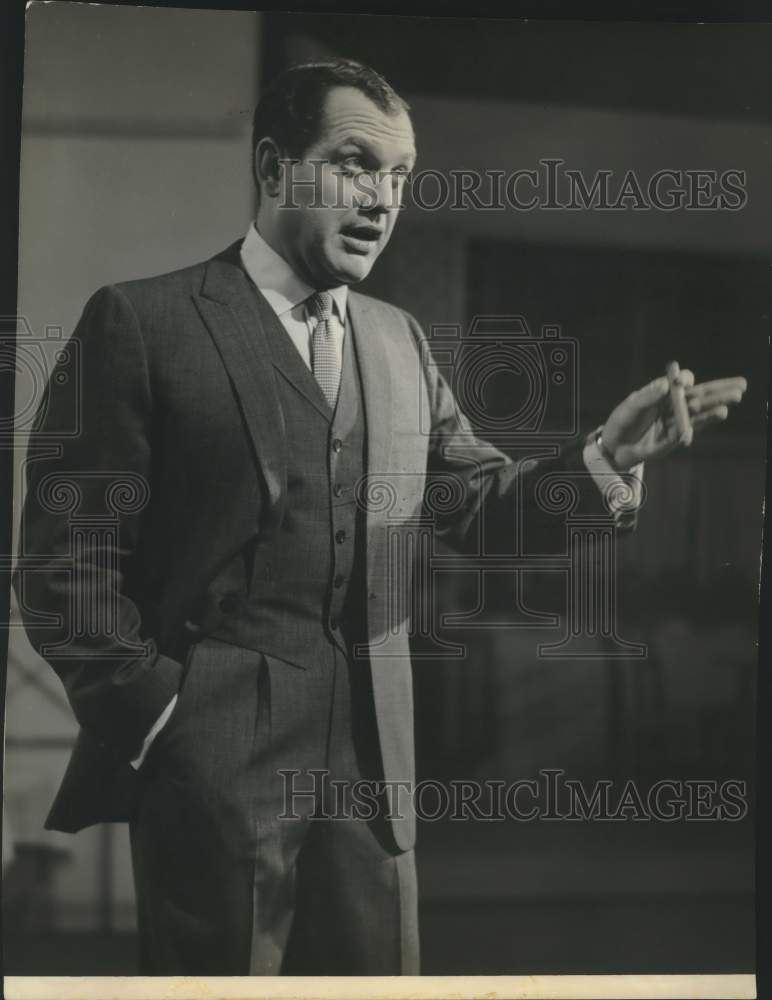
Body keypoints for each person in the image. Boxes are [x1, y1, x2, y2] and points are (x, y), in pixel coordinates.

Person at [12, 58, 746, 976]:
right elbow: (60, 563)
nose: (382, 199)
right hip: (209, 786)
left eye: (400, 177)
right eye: (356, 163)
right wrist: (166, 718)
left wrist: (605, 458)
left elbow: (481, 507)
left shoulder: (399, 342)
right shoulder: (143, 324)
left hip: (374, 790)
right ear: (276, 166)